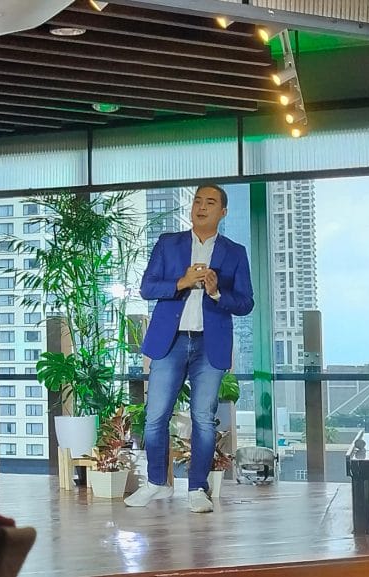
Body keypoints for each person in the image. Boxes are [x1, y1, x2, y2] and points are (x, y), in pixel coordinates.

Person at [125, 184, 254, 513]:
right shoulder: (169, 244)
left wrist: (216, 293)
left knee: (203, 419)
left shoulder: (235, 252)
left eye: (210, 202)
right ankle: (156, 483)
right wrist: (181, 282)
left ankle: (197, 488)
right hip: (170, 341)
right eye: (197, 201)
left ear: (223, 212)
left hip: (210, 344)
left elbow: (245, 303)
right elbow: (147, 288)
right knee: (155, 416)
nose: (201, 207)